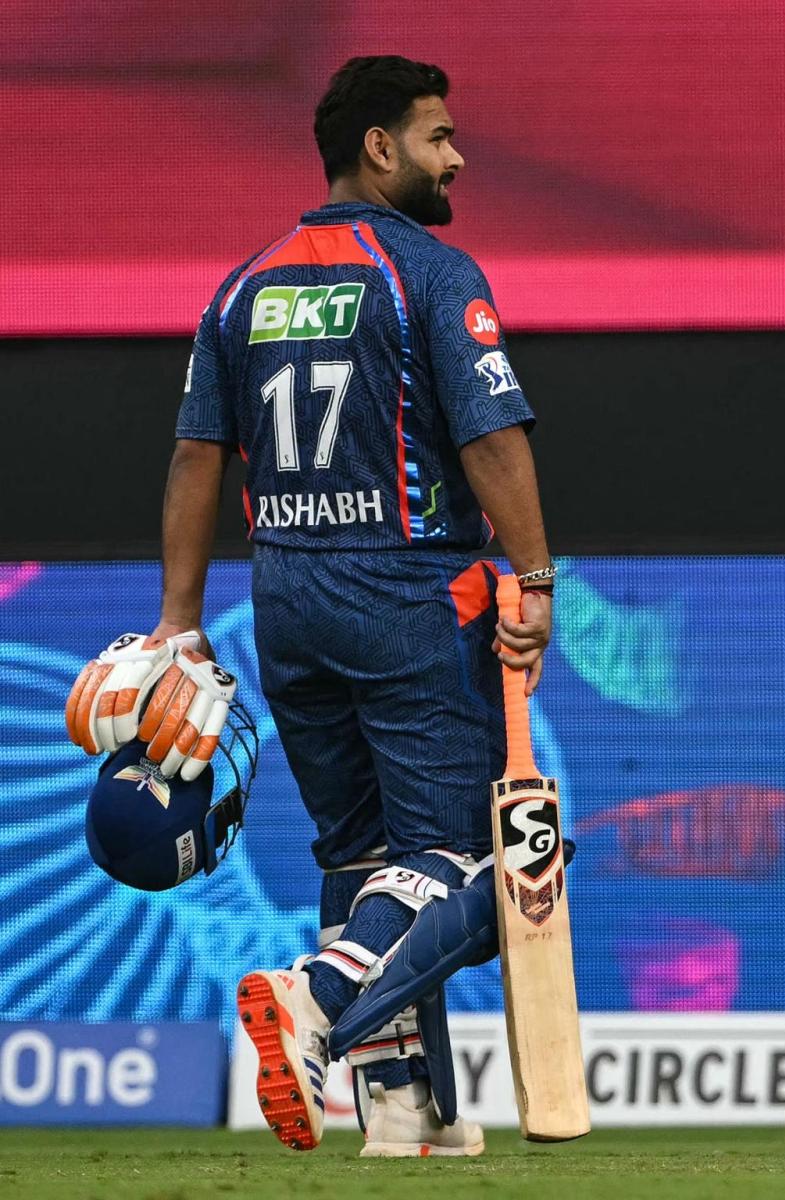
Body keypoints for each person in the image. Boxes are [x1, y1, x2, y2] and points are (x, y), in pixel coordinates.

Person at [155, 55, 553, 1156]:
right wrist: (532, 578)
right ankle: (318, 1001)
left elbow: (196, 455)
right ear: (379, 148)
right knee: (469, 861)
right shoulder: (427, 270)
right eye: (438, 136)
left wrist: (179, 622)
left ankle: (403, 1107)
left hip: (283, 598)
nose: (456, 156)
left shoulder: (243, 285)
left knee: (364, 859)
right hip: (407, 593)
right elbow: (492, 435)